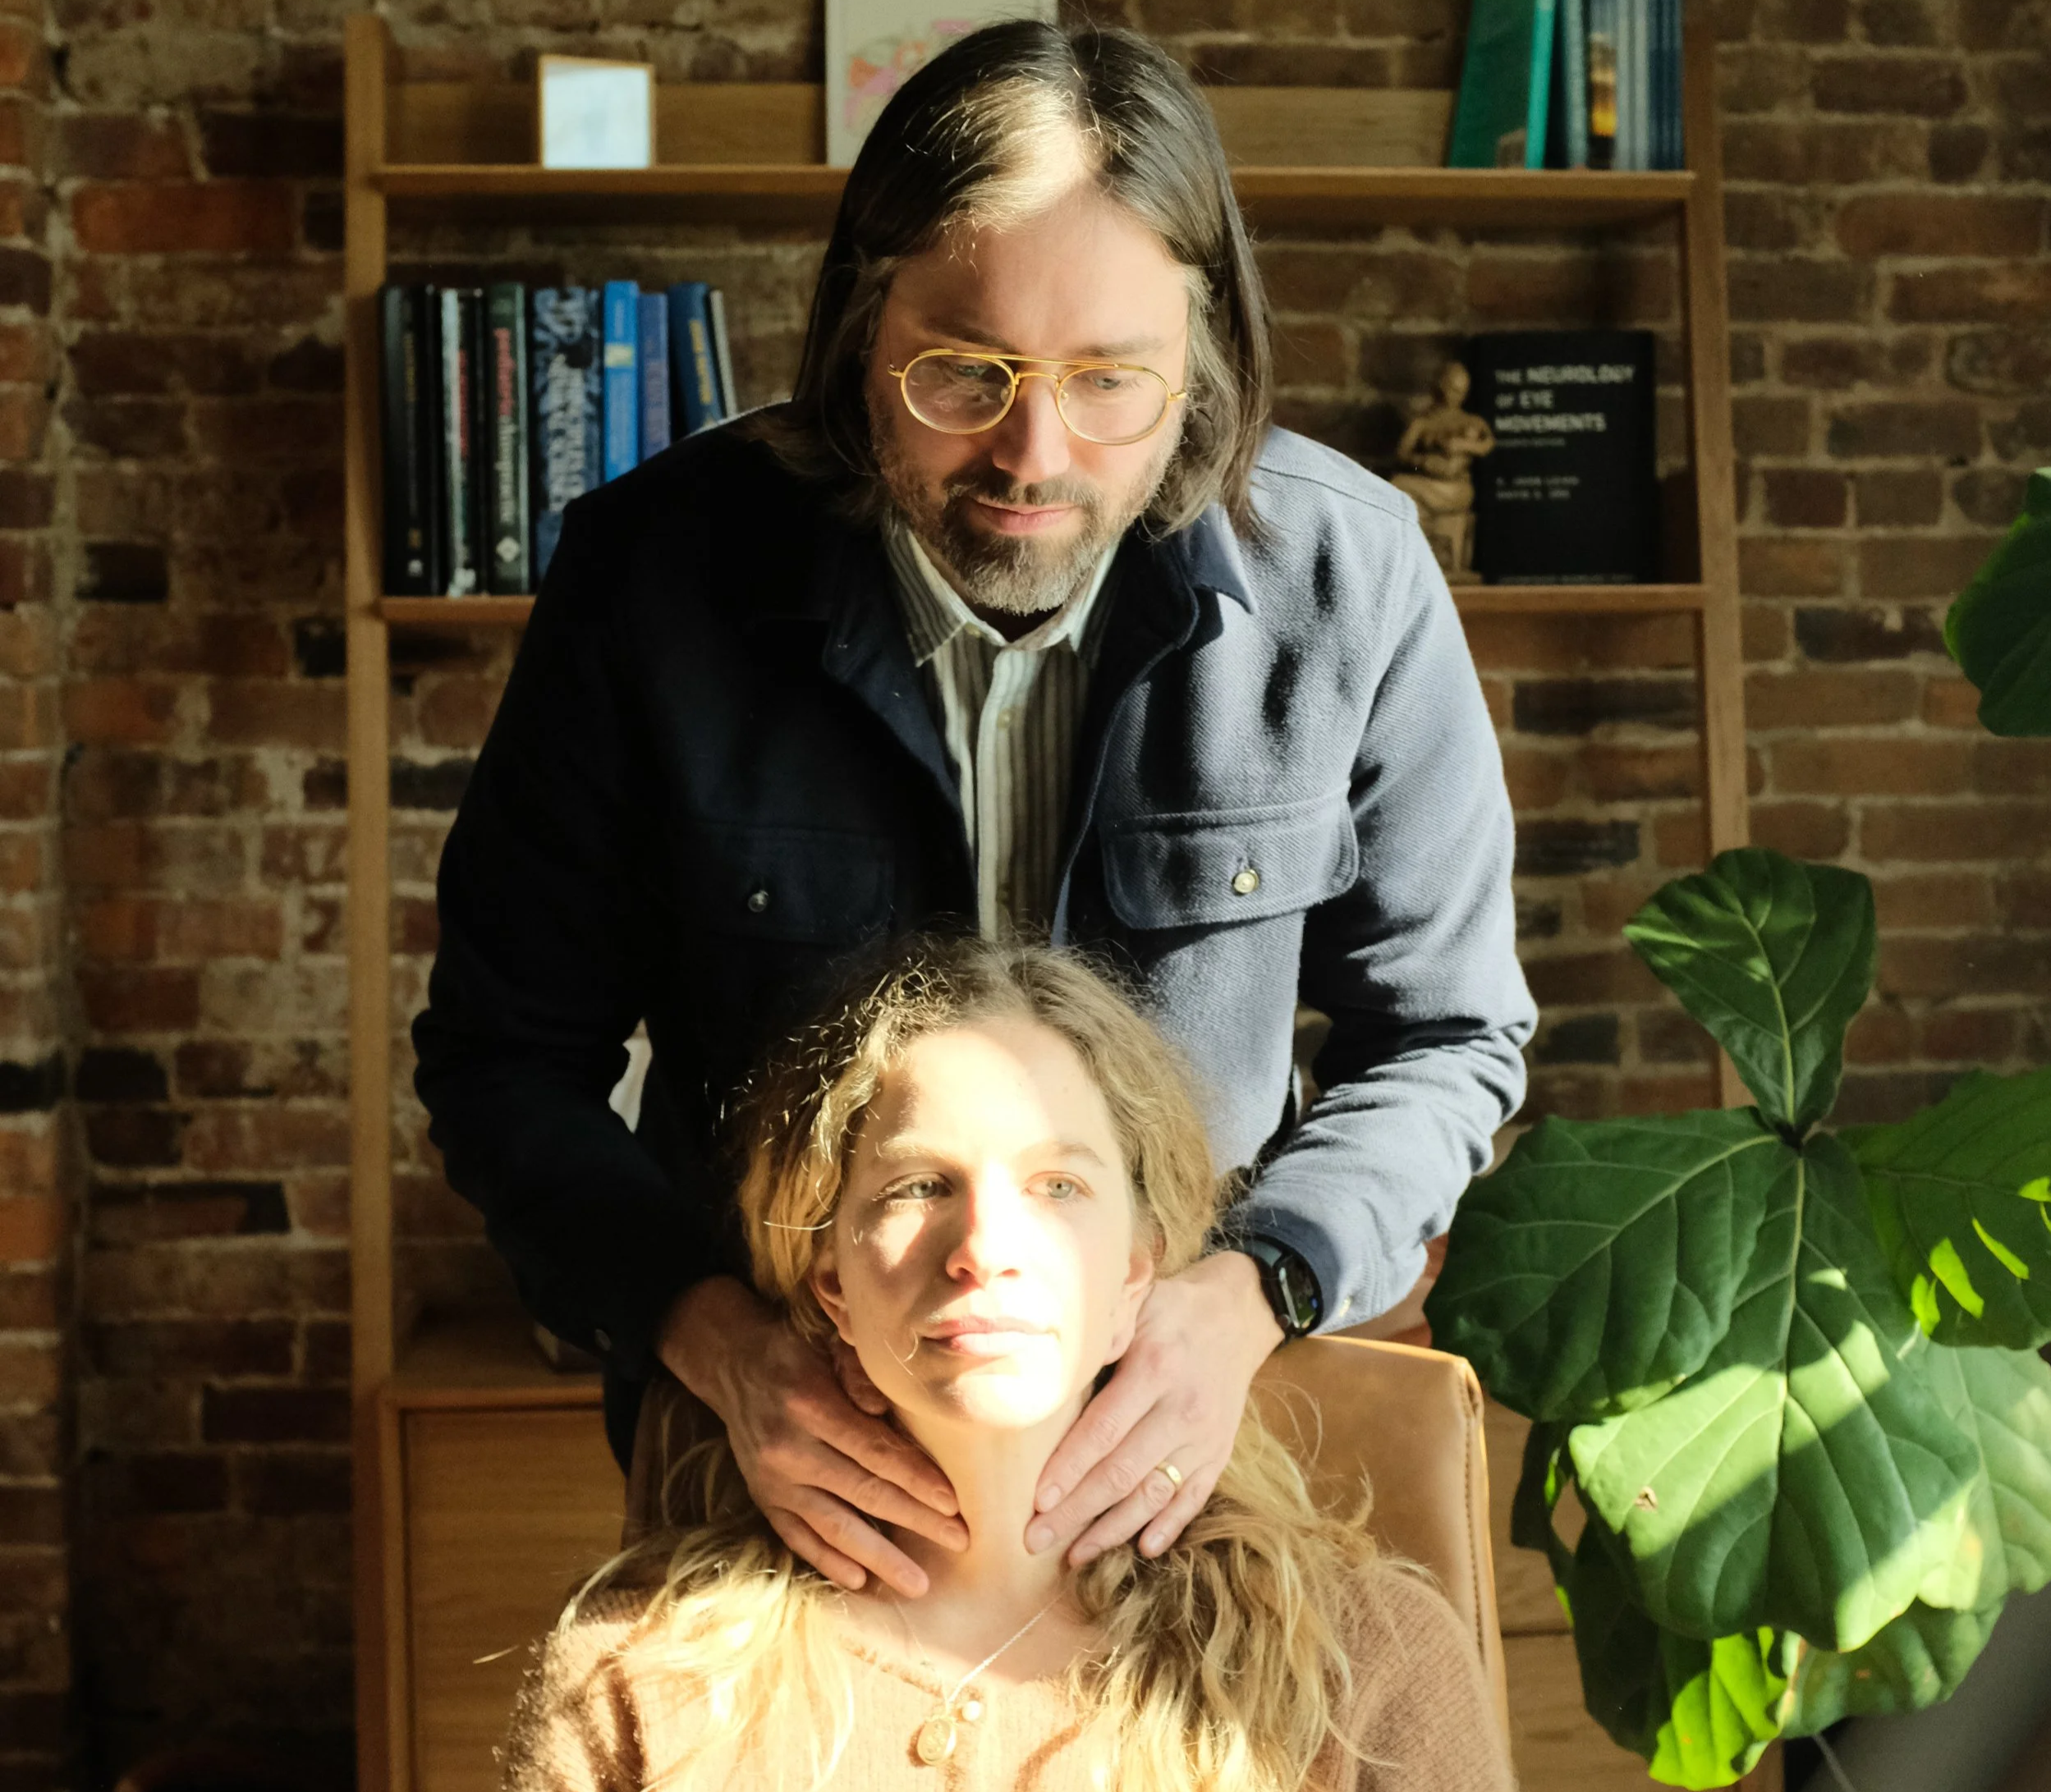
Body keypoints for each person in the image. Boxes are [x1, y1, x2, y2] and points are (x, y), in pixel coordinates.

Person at [412, 19, 1535, 1606]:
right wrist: (711, 1339)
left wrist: (1252, 1287)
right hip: (779, 1471)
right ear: (860, 331)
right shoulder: (647, 579)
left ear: (1201, 359)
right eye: (963, 372)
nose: (1033, 451)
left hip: (1204, 1458)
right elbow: (500, 1056)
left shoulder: (1350, 580)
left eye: (1109, 381)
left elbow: (1445, 1038)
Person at [498, 939, 1515, 1792]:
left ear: (1135, 1275)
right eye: (918, 1183)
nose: (983, 1244)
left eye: (1056, 1182)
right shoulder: (635, 1673)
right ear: (829, 1284)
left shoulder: (1367, 1658)